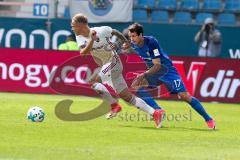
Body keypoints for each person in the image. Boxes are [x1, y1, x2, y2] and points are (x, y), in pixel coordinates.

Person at [71, 13, 165, 128]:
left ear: (81, 25)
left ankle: (114, 105)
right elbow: (83, 53)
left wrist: (126, 42)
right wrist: (92, 40)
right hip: (106, 66)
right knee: (127, 97)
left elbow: (115, 32)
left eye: (73, 25)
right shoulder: (79, 36)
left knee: (95, 83)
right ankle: (155, 113)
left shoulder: (101, 31)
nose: (72, 28)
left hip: (113, 62)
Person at [127, 22, 216, 129]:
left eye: (134, 36)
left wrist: (143, 74)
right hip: (154, 73)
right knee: (136, 87)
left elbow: (157, 65)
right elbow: (127, 44)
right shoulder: (133, 43)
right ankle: (158, 110)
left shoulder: (151, 42)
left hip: (166, 70)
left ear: (141, 35)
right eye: (130, 36)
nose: (132, 39)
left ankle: (208, 119)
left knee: (184, 96)